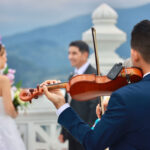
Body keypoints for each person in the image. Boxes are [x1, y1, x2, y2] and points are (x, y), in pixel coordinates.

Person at [42, 19, 150, 150]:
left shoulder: (125, 98)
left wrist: (61, 105)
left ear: (134, 54)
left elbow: (94, 142)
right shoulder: (126, 97)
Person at [59, 40, 99, 150]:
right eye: (69, 53)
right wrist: (64, 131)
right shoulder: (71, 76)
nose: (70, 57)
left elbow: (94, 105)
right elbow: (67, 104)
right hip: (72, 131)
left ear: (85, 54)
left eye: (74, 53)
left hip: (85, 133)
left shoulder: (93, 75)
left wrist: (88, 132)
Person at [0, 44, 26, 150]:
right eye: (4, 56)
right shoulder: (3, 80)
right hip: (4, 127)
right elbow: (8, 109)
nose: (6, 59)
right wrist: (15, 113)